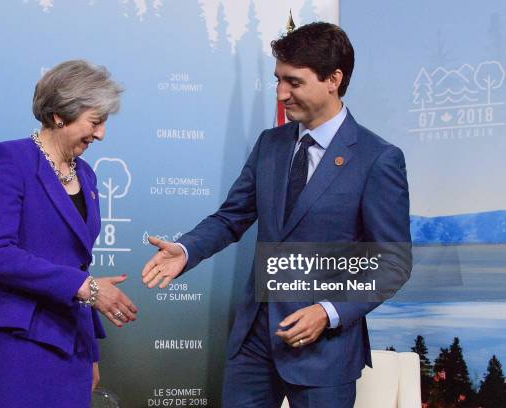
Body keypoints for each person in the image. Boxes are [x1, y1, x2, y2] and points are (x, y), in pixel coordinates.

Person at [142, 22, 412, 407]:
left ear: (333, 79)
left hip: (324, 352)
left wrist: (328, 312)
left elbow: (393, 262)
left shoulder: (378, 159)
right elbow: (231, 217)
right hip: (253, 342)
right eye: (277, 80)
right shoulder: (271, 144)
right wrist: (186, 251)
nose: (281, 93)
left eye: (294, 82)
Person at [0, 60, 138, 408]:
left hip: (71, 337)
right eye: (95, 122)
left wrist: (92, 350)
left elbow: (78, 265)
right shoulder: (10, 158)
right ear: (60, 114)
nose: (101, 134)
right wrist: (85, 288)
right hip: (17, 334)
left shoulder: (86, 174)